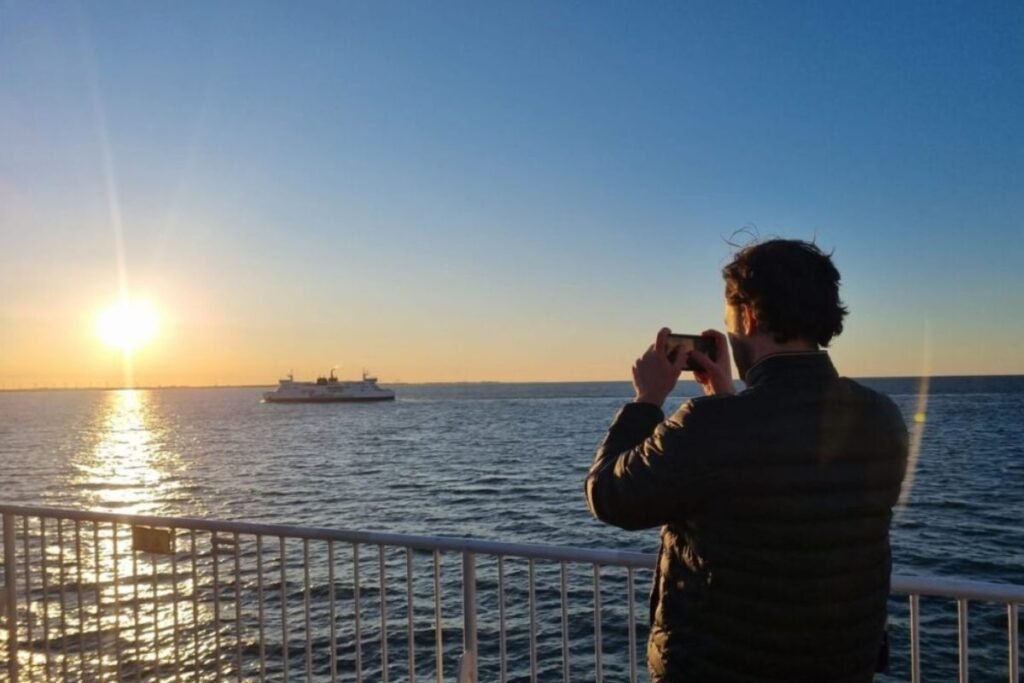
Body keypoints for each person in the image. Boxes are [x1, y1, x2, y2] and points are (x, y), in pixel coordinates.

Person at [585, 239, 908, 682]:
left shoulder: (710, 426)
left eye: (730, 322)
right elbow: (786, 503)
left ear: (750, 315)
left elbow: (609, 495)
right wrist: (726, 399)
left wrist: (646, 401)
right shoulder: (881, 416)